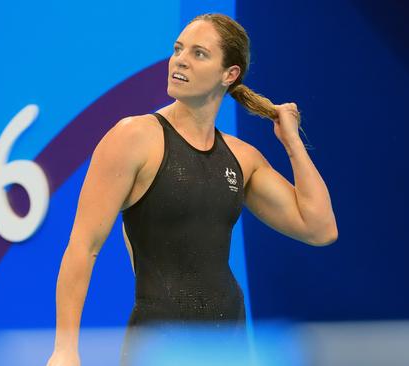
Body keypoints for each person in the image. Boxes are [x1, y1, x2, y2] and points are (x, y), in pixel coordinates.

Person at [45, 13, 338, 366]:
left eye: (199, 53)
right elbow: (83, 246)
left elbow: (320, 228)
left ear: (229, 75)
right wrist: (65, 349)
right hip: (159, 347)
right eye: (178, 49)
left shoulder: (242, 159)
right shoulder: (134, 138)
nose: (180, 59)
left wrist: (292, 143)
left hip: (230, 344)